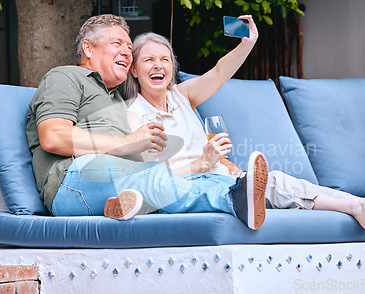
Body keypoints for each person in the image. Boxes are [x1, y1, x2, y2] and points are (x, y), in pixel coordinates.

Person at [124, 17, 365, 230]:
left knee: (281, 181)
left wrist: (247, 43)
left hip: (218, 175)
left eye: (164, 59)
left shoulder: (182, 96)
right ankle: (360, 206)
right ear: (134, 70)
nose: (158, 65)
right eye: (148, 60)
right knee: (271, 185)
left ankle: (364, 206)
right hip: (188, 188)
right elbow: (154, 178)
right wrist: (201, 163)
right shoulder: (133, 115)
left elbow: (220, 72)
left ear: (173, 67)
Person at [25, 14, 268, 231]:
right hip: (72, 180)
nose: (126, 52)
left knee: (209, 177)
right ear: (88, 48)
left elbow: (214, 75)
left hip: (117, 181)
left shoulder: (119, 98)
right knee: (154, 177)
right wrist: (128, 142)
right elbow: (53, 137)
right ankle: (233, 200)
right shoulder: (66, 76)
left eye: (129, 47)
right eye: (117, 43)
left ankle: (122, 205)